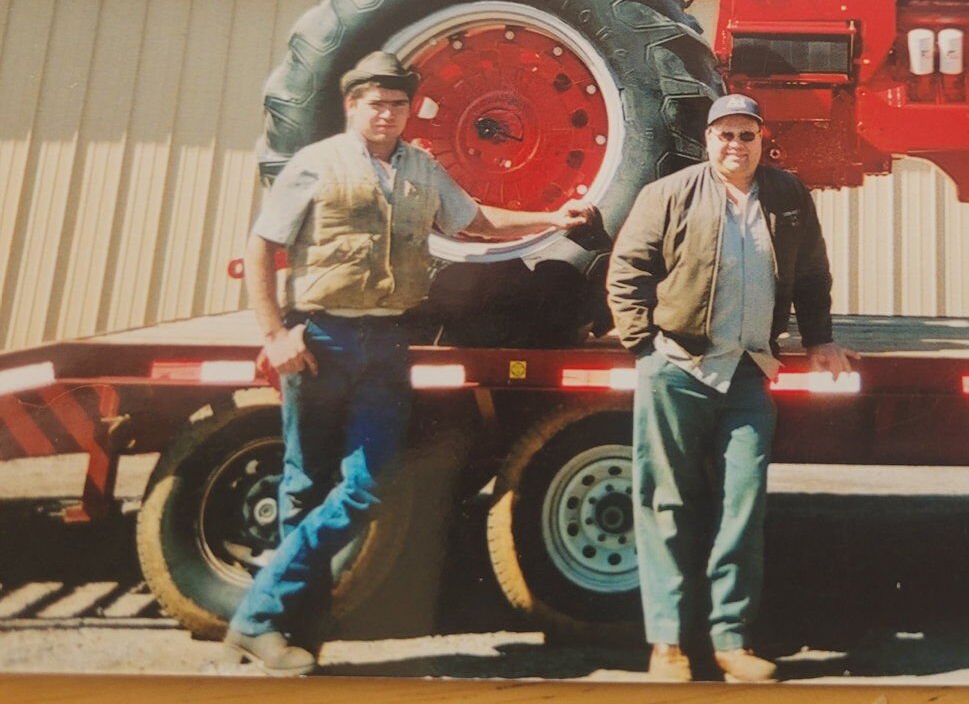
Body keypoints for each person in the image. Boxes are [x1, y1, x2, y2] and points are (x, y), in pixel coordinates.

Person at [228, 51, 593, 675]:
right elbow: (262, 245)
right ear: (352, 106)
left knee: (367, 485)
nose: (387, 114)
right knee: (302, 486)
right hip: (321, 340)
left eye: (397, 104)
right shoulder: (316, 164)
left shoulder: (419, 168)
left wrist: (550, 216)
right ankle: (293, 633)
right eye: (376, 103)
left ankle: (256, 616)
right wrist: (274, 333)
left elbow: (476, 221)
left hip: (388, 342)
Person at [607, 93, 856, 683]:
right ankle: (667, 644)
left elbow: (814, 273)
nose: (735, 146)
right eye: (725, 135)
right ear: (707, 140)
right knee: (667, 505)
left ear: (762, 139)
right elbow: (628, 268)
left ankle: (730, 640)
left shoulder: (788, 196)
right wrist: (646, 347)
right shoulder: (669, 194)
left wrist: (819, 337)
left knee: (741, 508)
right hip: (679, 370)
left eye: (747, 136)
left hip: (748, 374)